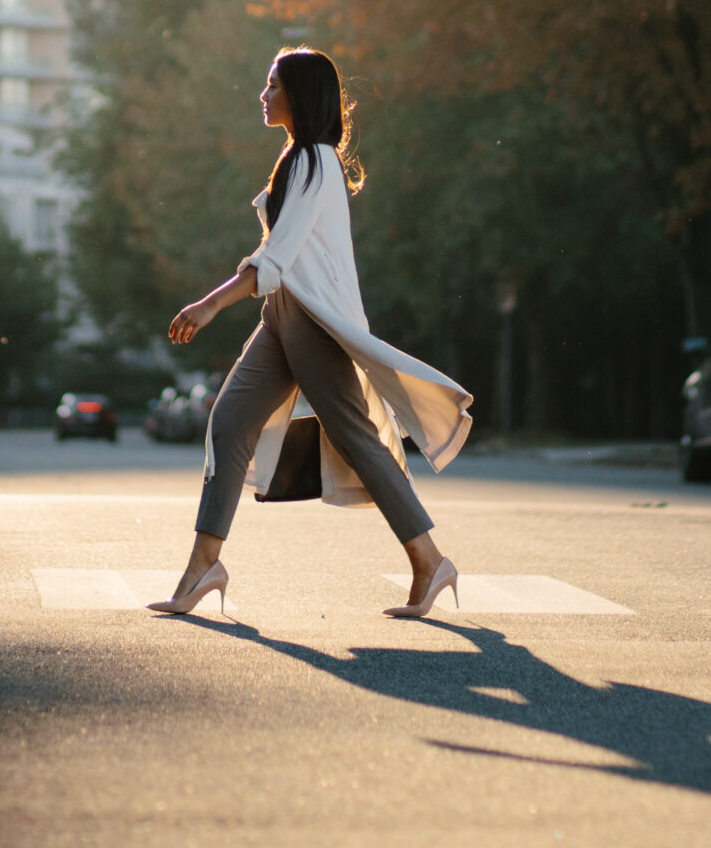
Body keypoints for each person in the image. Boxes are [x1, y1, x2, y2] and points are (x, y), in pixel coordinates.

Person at [151, 46, 475, 619]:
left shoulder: (316, 161)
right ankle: (205, 566)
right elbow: (278, 255)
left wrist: (210, 303)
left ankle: (430, 561)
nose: (263, 94)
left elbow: (275, 257)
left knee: (356, 439)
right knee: (229, 423)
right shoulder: (296, 160)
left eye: (273, 85)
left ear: (300, 95)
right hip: (282, 317)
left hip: (315, 323)